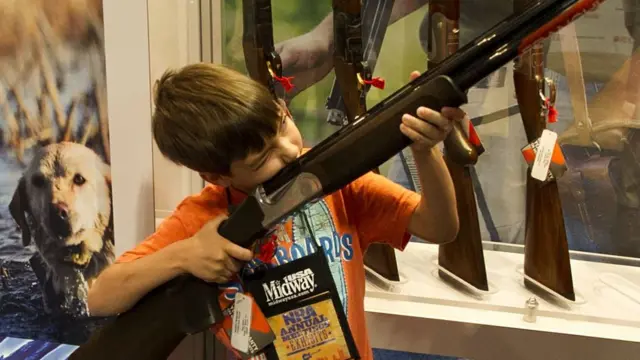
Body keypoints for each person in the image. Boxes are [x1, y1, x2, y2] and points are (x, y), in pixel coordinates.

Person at [86, 63, 465, 359]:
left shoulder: (334, 182)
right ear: (216, 175)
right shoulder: (202, 217)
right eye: (263, 157)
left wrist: (424, 150)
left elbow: (439, 226)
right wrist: (183, 256)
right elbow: (100, 297)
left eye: (283, 123)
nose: (288, 150)